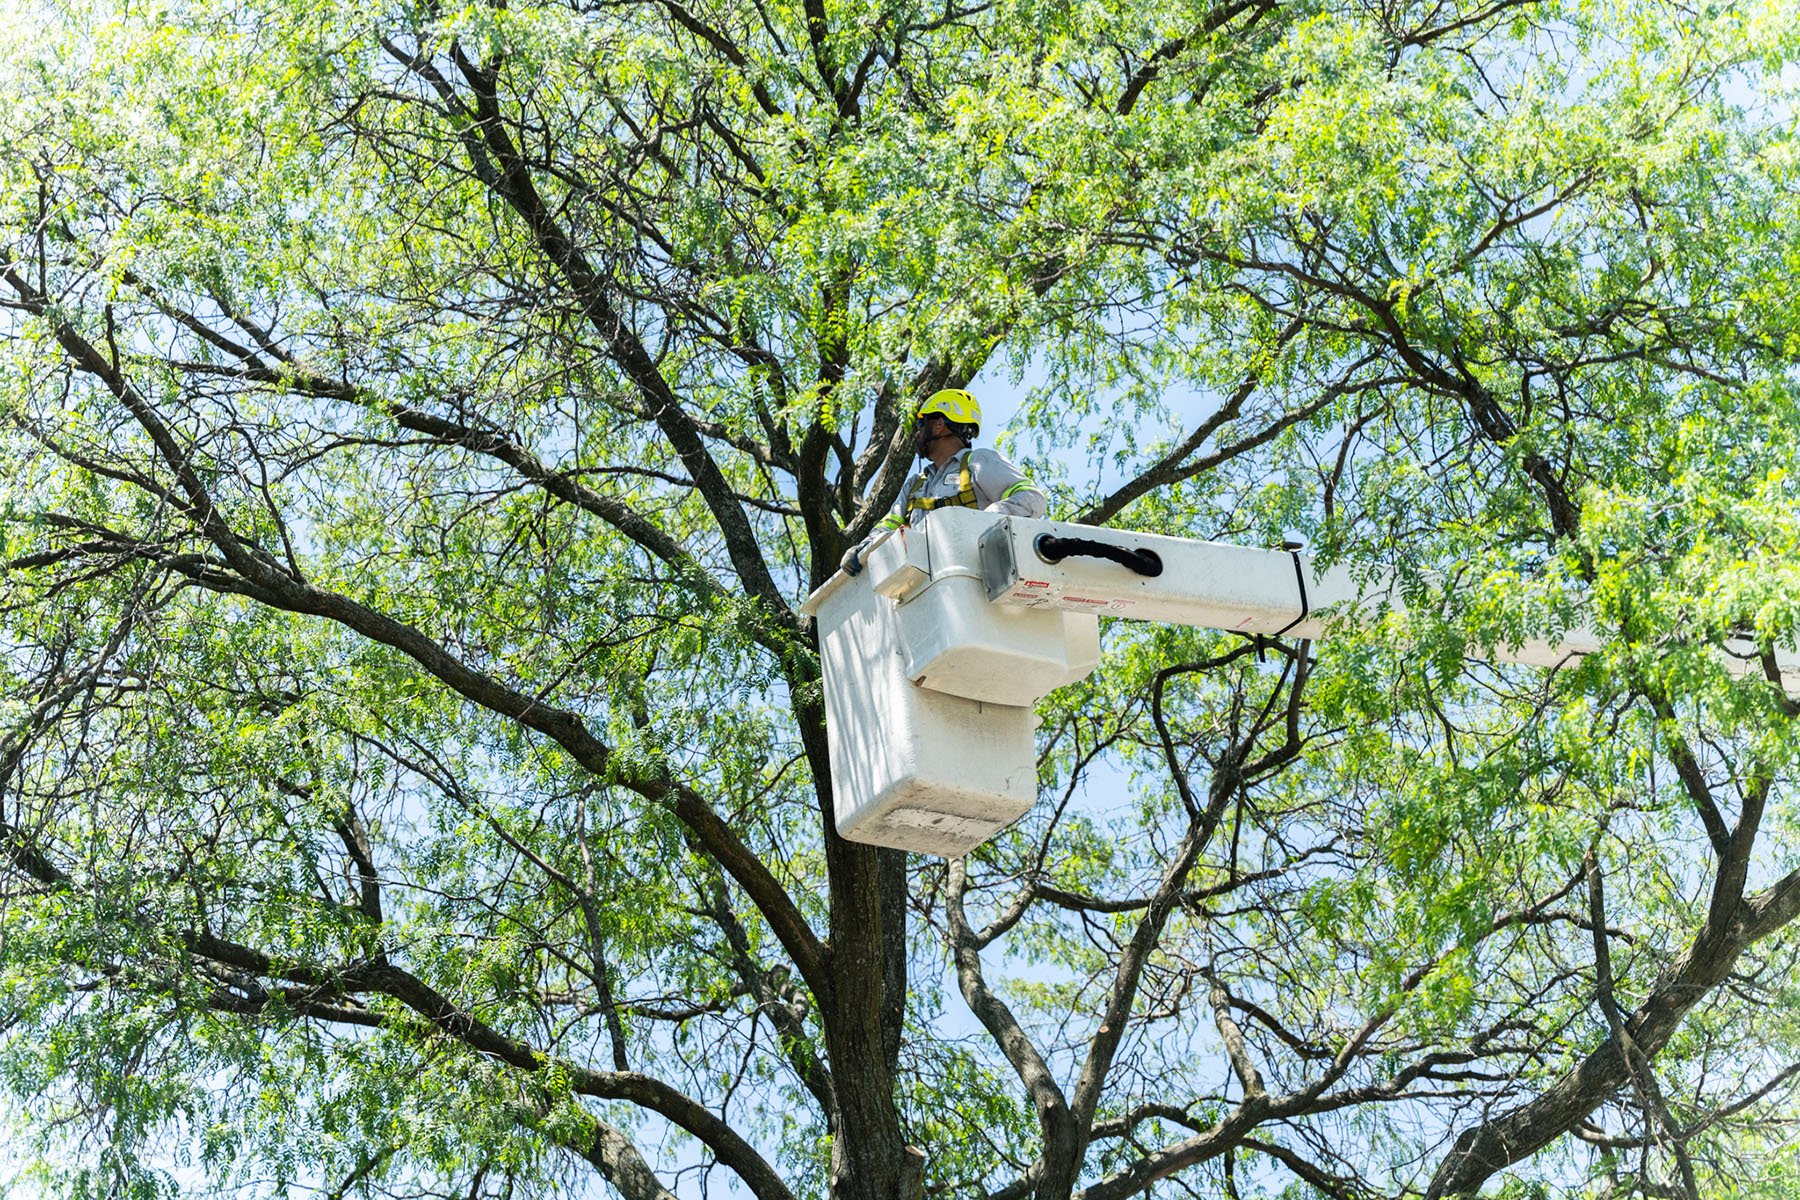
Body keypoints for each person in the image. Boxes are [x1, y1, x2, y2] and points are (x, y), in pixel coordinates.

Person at [841, 389, 1048, 576]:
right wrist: (863, 548)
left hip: (975, 576)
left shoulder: (978, 462)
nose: (917, 432)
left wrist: (980, 523)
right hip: (929, 588)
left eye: (921, 424)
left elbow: (1031, 499)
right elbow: (888, 527)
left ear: (939, 425)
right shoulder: (915, 485)